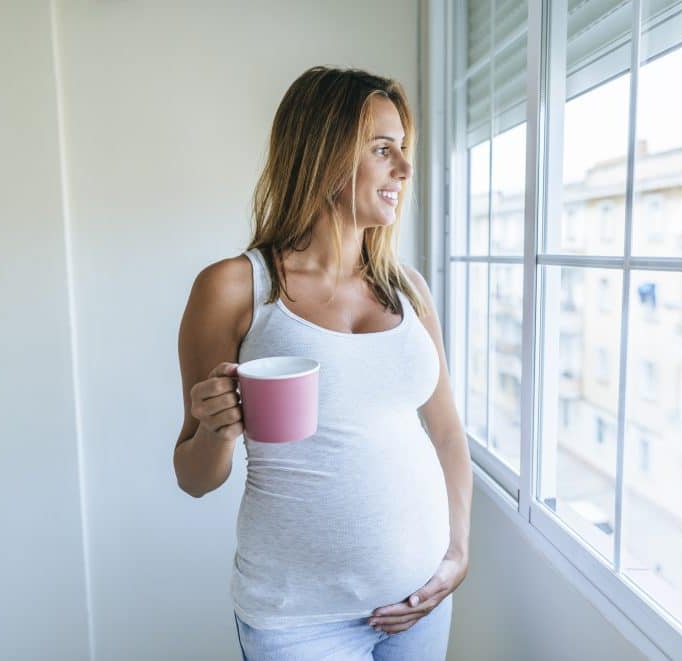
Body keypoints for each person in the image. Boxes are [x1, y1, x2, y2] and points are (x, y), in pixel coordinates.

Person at [172, 66, 472, 661]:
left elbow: (445, 432)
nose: (405, 170)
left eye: (403, 150)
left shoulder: (409, 290)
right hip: (298, 621)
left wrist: (457, 552)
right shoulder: (236, 288)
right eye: (383, 149)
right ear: (324, 153)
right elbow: (193, 477)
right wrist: (216, 428)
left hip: (420, 605)